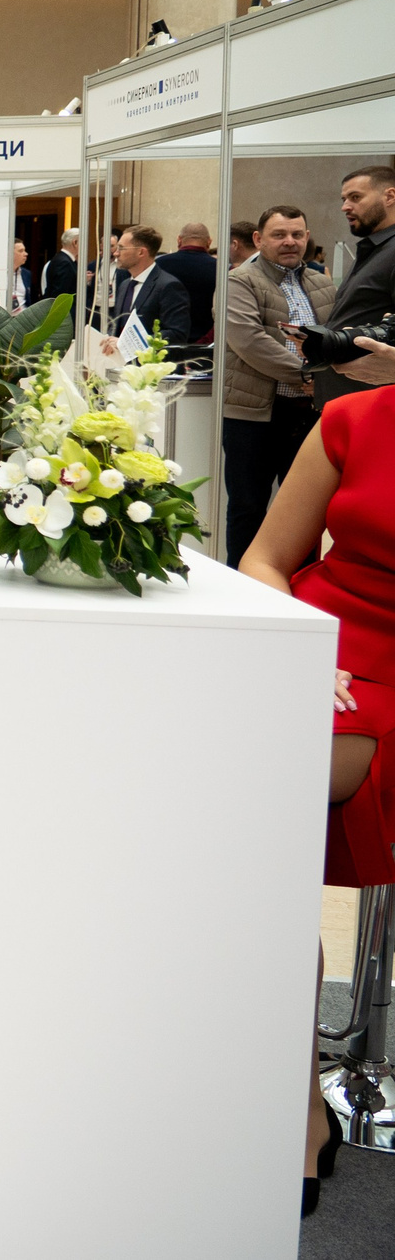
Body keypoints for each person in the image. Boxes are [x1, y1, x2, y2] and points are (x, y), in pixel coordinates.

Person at [238, 383, 395, 1218]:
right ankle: (293, 1098)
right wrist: (301, 646)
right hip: (321, 645)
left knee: (265, 782)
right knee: (219, 781)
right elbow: (265, 558)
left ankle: (294, 1107)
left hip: (384, 678)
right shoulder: (354, 417)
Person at [224, 206, 335, 567]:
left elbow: (337, 337)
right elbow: (249, 340)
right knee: (248, 508)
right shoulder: (239, 281)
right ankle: (243, 586)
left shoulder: (322, 283)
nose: (290, 242)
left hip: (311, 416)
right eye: (279, 235)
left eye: (297, 235)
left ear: (307, 238)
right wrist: (308, 376)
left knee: (305, 513)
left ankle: (298, 588)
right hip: (254, 415)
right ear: (258, 239)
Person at [315, 166, 395, 404]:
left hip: (372, 403)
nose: (345, 207)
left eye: (355, 197)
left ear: (390, 196)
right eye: (344, 199)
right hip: (346, 398)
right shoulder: (373, 250)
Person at [108, 224, 190, 343]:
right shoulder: (125, 285)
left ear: (141, 252)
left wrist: (128, 343)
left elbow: (176, 334)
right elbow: (119, 326)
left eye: (121, 248)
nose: (116, 253)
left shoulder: (168, 286)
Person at [162, 221, 220, 344]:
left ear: (179, 240)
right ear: (209, 242)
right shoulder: (222, 269)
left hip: (167, 341)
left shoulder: (159, 265)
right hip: (208, 342)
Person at [42, 225, 82, 306]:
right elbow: (61, 294)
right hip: (64, 310)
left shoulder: (61, 259)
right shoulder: (64, 263)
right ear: (75, 243)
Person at [5, 238, 35, 311]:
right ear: (10, 253)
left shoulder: (26, 274)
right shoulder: (1, 273)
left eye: (24, 250)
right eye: (21, 251)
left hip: (23, 315)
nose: (26, 254)